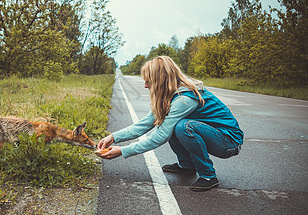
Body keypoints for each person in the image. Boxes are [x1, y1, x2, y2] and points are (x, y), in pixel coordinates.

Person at [97, 56, 243, 191]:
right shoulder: (169, 95)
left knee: (183, 127)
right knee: (176, 124)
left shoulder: (184, 99)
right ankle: (187, 166)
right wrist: (113, 137)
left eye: (149, 81)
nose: (146, 86)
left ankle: (208, 175)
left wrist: (123, 151)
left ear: (161, 80)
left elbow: (160, 135)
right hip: (214, 135)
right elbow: (145, 124)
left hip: (228, 142)